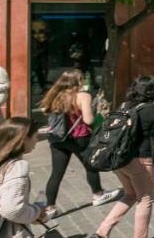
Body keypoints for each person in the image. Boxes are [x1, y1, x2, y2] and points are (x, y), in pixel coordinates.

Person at [82, 76, 154, 238]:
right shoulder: (153, 110)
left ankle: (100, 235)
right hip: (141, 161)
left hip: (119, 159)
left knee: (130, 195)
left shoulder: (124, 106)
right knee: (145, 199)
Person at [39, 70, 119, 214]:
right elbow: (89, 120)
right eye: (82, 79)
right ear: (79, 81)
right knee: (90, 166)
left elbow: (45, 111)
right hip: (79, 138)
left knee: (56, 173)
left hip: (57, 138)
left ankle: (50, 207)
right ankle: (98, 194)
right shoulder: (83, 96)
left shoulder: (54, 95)